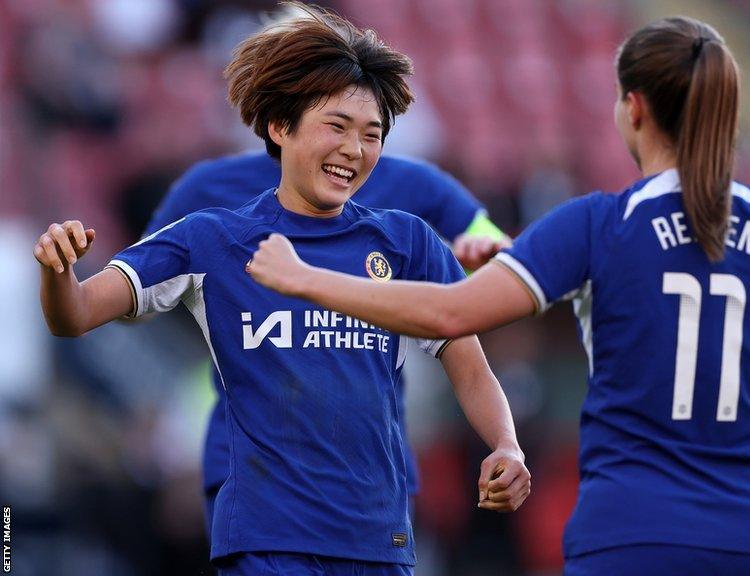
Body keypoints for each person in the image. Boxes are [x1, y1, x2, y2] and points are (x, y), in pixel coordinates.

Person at [245, 15, 750, 575]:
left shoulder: (600, 225)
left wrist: (305, 277)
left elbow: (448, 312)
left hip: (631, 529)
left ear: (634, 108)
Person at [34, 4, 529, 575]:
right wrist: (57, 272)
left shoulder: (408, 243)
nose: (354, 150)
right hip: (267, 541)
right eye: (336, 127)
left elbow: (470, 365)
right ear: (279, 126)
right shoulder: (209, 240)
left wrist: (507, 444)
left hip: (378, 539)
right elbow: (75, 315)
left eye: (372, 135)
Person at [145, 149, 509, 535]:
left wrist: (480, 257)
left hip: (370, 470)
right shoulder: (209, 189)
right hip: (246, 469)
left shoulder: (413, 192)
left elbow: (501, 263)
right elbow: (145, 292)